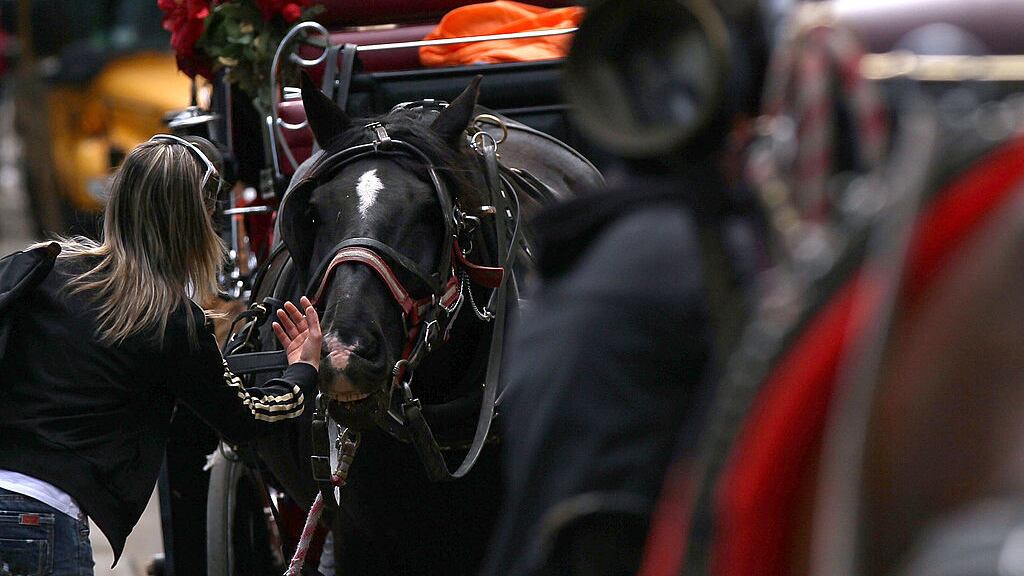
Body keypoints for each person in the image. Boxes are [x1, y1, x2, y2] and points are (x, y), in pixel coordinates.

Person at [0, 134, 322, 575]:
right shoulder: (171, 320)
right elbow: (246, 420)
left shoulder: (39, 267)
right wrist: (302, 370)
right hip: (41, 517)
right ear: (194, 225)